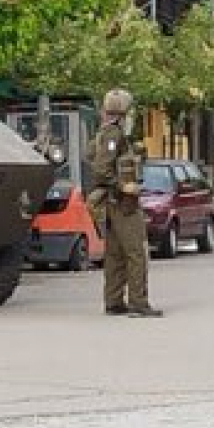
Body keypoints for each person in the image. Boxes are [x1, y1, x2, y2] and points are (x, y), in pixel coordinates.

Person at [88, 88, 160, 318]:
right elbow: (102, 169)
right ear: (122, 111)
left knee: (115, 255)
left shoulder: (105, 133)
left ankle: (114, 301)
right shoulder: (113, 134)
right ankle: (138, 303)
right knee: (136, 253)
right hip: (122, 204)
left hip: (112, 203)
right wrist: (123, 186)